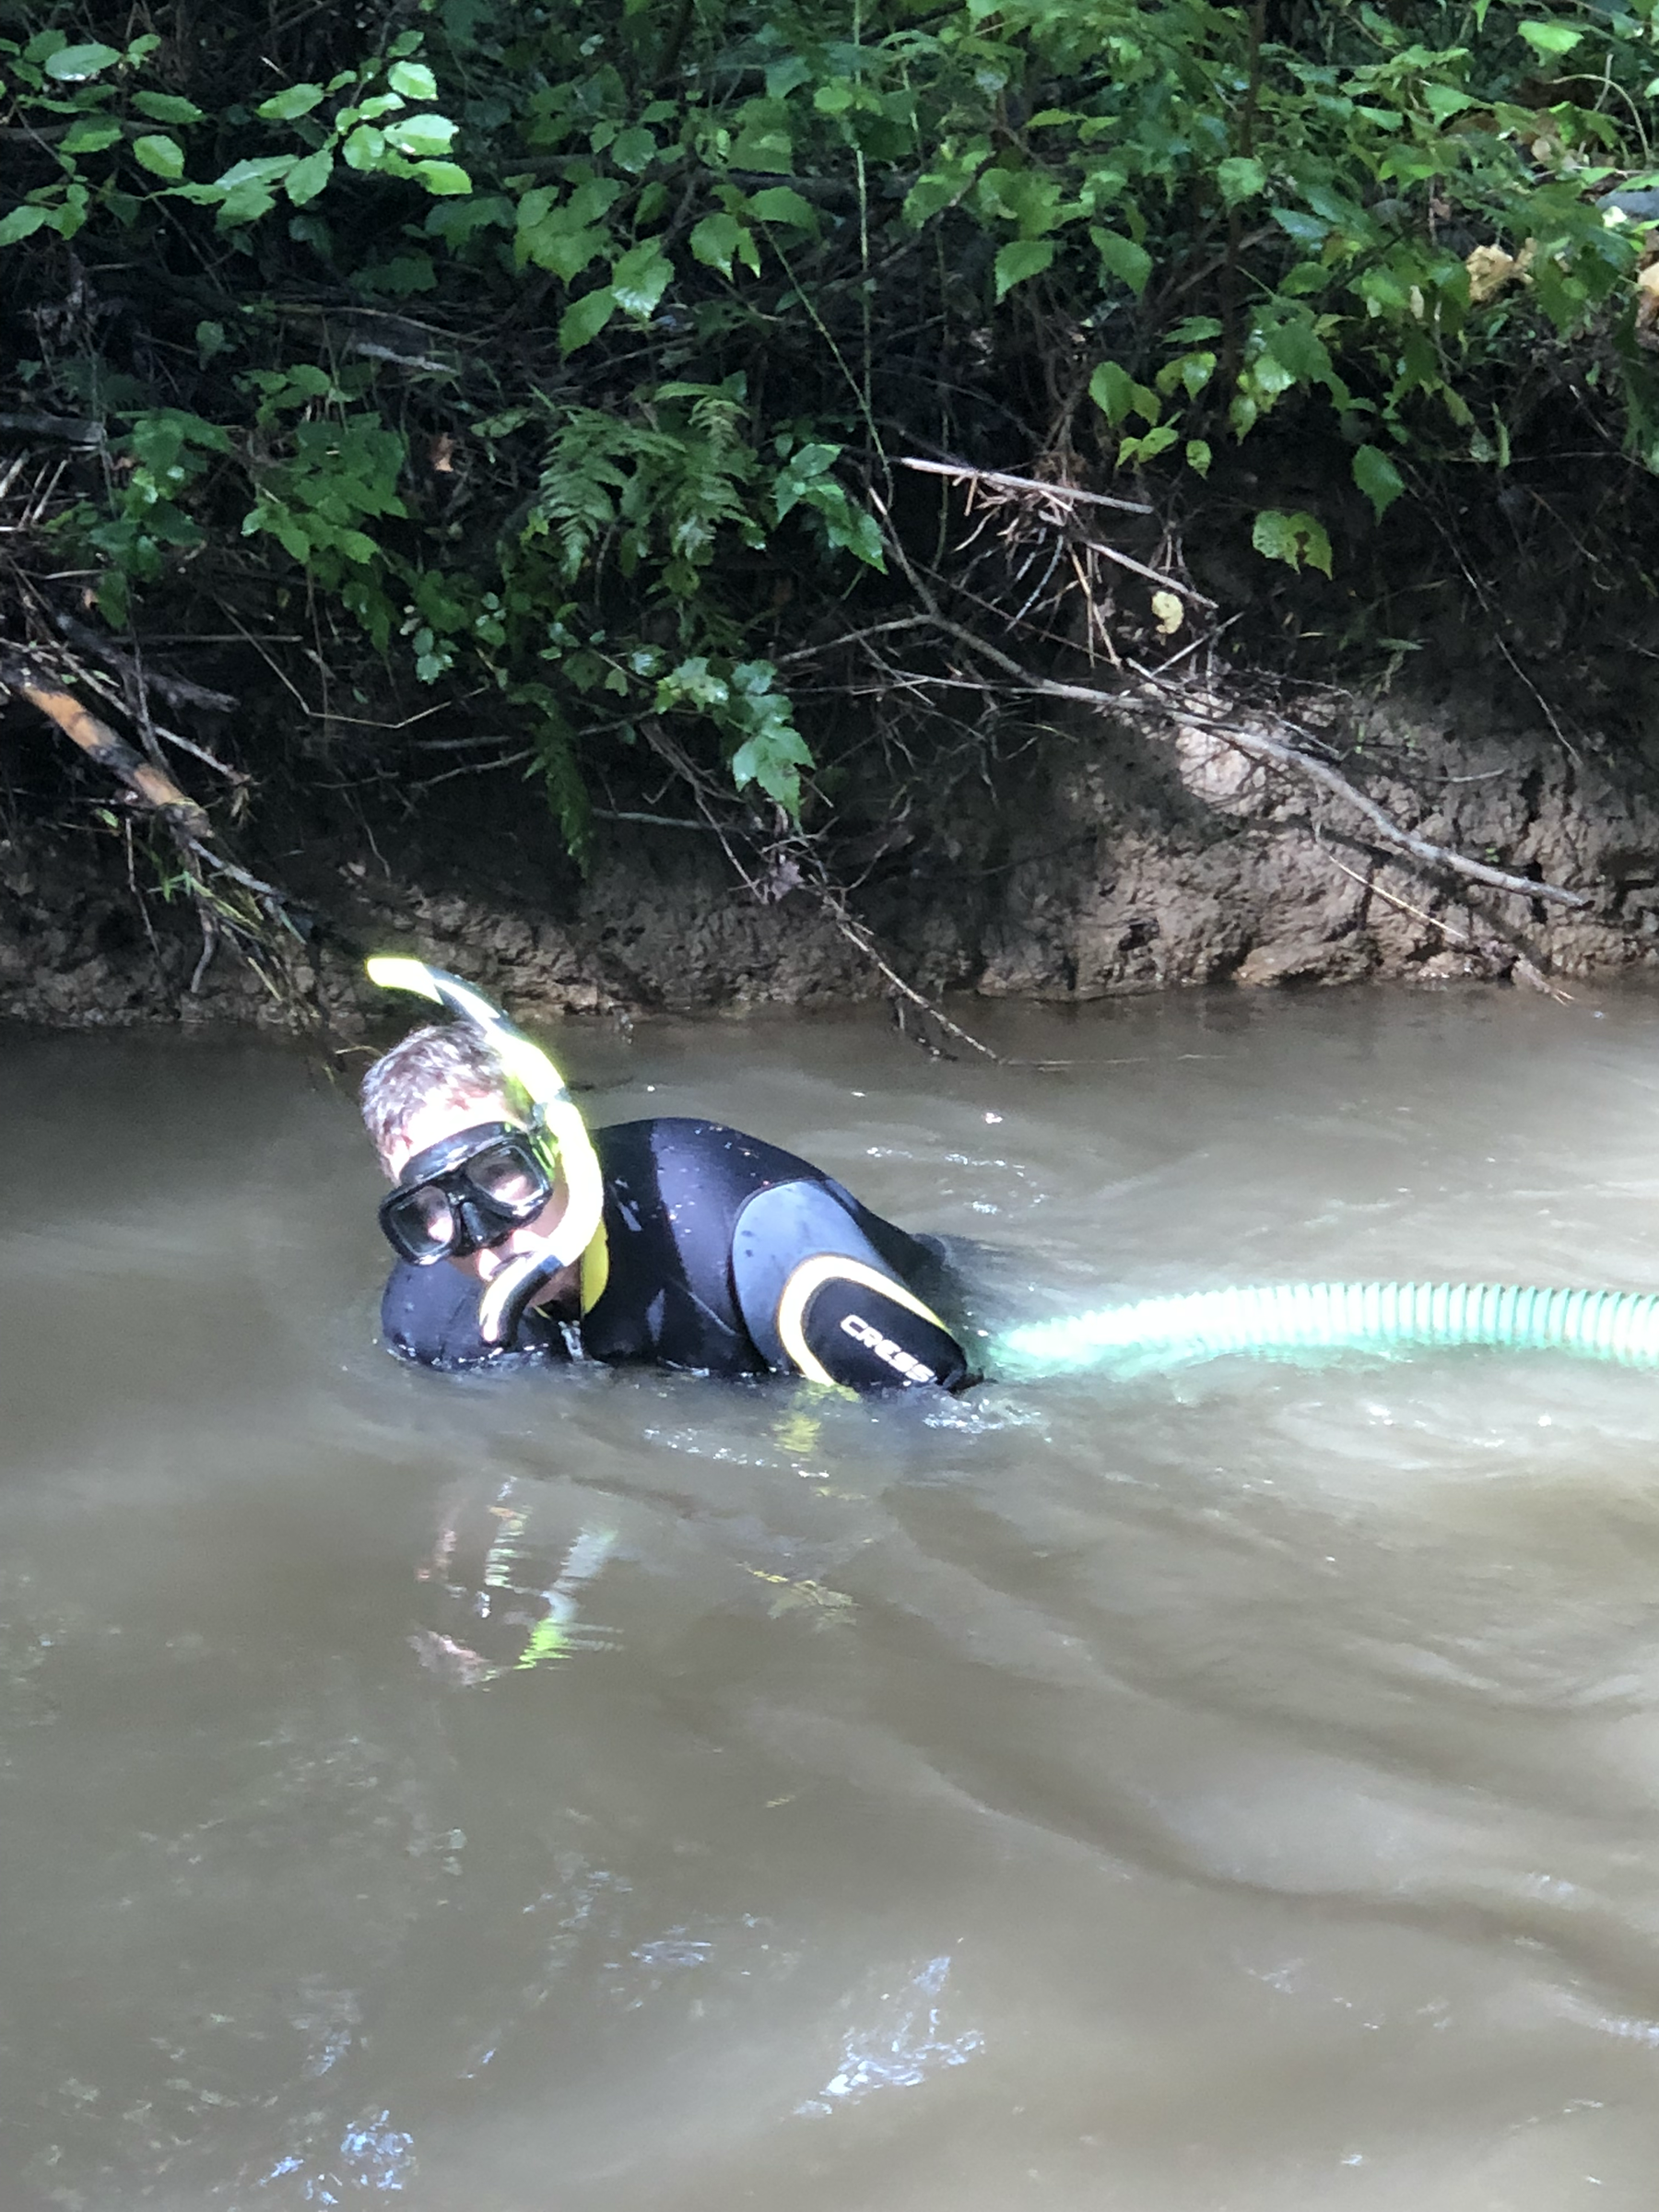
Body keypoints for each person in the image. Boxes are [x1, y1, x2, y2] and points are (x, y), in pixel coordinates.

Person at [360, 958, 975, 1393]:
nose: (486, 1235)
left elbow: (952, 1422)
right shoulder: (429, 1321)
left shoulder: (763, 1243)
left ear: (560, 1145)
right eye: (433, 1209)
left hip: (967, 1310)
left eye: (501, 1172)